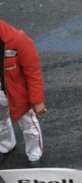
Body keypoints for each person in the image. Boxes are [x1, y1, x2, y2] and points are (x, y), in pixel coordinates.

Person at [0, 19, 46, 168]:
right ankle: (6, 146)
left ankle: (35, 156)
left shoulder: (19, 41)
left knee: (29, 126)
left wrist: (37, 101)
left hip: (18, 97)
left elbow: (33, 73)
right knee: (1, 123)